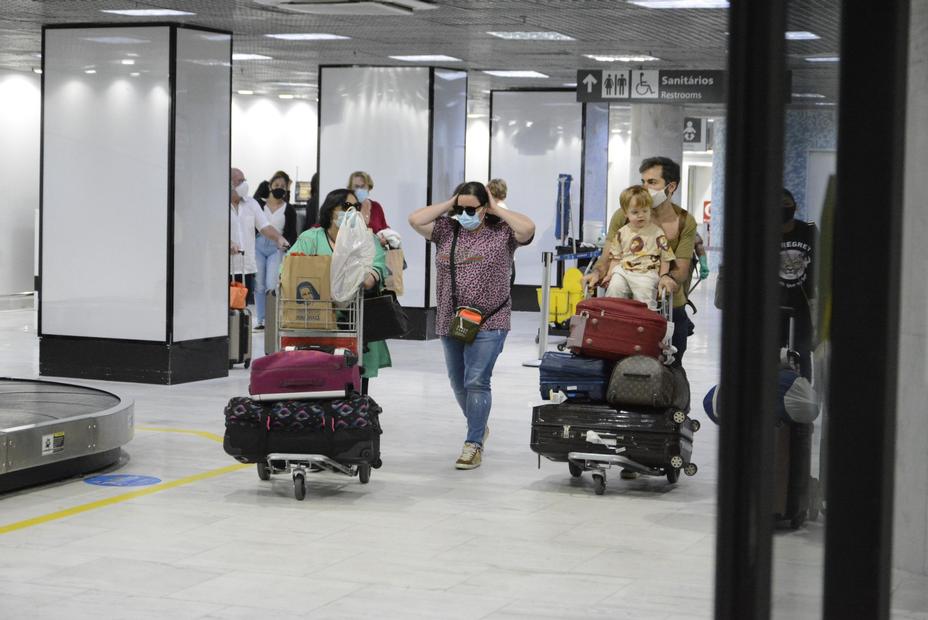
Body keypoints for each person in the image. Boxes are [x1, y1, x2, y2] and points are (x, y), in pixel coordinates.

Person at [409, 182, 535, 470]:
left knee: (477, 380)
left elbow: (527, 228)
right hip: (452, 319)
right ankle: (479, 425)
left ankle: (473, 442)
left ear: (484, 207)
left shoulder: (502, 233)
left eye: (471, 208)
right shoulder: (446, 230)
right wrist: (450, 204)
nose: (465, 214)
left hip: (491, 317)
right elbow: (415, 219)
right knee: (458, 381)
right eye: (461, 208)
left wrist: (493, 208)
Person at [584, 156, 697, 364]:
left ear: (671, 186)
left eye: (652, 182)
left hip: (671, 305)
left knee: (670, 367)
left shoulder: (684, 221)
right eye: (643, 181)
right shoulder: (625, 215)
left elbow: (681, 268)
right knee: (614, 364)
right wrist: (598, 273)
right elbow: (609, 256)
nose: (645, 188)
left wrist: (666, 278)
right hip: (625, 302)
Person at [286, 188, 391, 393]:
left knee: (355, 379)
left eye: (355, 207)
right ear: (330, 209)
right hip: (316, 320)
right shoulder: (311, 238)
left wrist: (337, 276)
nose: (351, 211)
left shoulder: (366, 241)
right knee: (318, 377)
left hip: (355, 322)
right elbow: (289, 270)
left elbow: (372, 276)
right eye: (345, 206)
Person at [602, 185, 675, 310]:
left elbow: (665, 258)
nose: (641, 215)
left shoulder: (657, 233)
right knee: (614, 288)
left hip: (646, 272)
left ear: (650, 210)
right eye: (635, 212)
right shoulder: (621, 233)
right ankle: (614, 318)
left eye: (645, 211)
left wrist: (663, 276)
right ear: (626, 213)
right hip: (623, 270)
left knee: (644, 296)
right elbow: (616, 258)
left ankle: (644, 323)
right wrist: (609, 275)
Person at [230, 167, 289, 308]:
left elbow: (265, 227)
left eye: (244, 180)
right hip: (226, 267)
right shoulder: (218, 204)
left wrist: (278, 238)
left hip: (246, 266)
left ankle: (241, 329)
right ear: (229, 183)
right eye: (240, 181)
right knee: (225, 309)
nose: (244, 184)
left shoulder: (251, 204)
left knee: (241, 307)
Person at [254, 170, 298, 330]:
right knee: (258, 283)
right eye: (276, 185)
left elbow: (292, 232)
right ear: (270, 185)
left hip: (277, 247)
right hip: (258, 245)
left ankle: (272, 318)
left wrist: (288, 247)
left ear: (287, 190)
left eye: (283, 186)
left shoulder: (289, 209)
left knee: (271, 283)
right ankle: (261, 319)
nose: (279, 188)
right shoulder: (259, 204)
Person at [780, 188, 817, 380]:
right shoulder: (765, 233)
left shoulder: (808, 231)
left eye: (786, 204)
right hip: (775, 304)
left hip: (802, 303)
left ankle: (804, 393)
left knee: (802, 350)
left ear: (795, 207)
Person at [348, 170, 390, 242]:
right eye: (356, 187)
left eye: (363, 186)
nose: (360, 190)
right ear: (350, 188)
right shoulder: (346, 206)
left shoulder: (376, 207)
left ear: (369, 188)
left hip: (376, 252)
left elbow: (384, 229)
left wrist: (385, 238)